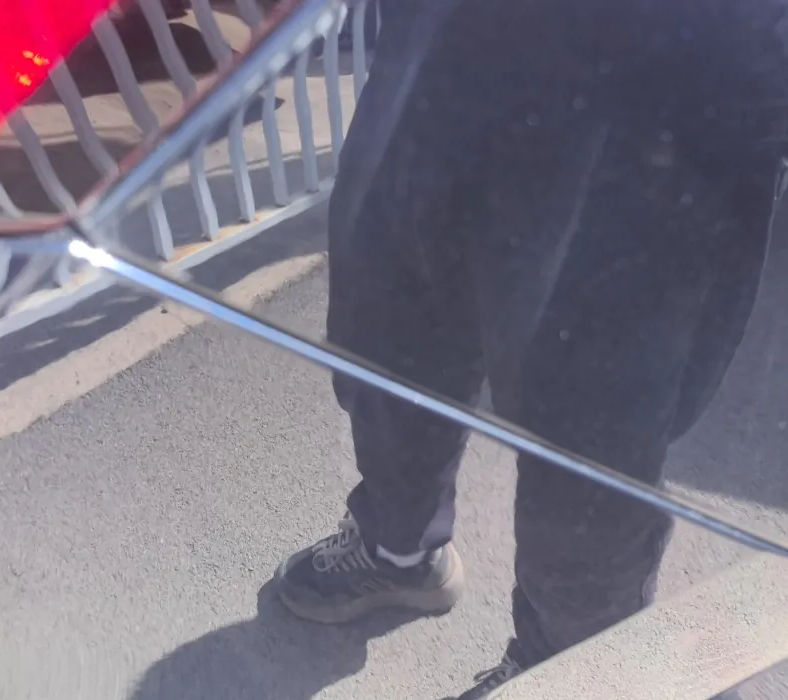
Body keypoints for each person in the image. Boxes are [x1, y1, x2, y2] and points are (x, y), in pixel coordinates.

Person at [271, 0, 783, 697]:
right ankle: (399, 544)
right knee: (386, 325)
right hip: (440, 49)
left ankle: (573, 669)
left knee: (587, 435)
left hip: (655, 95)